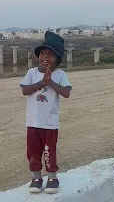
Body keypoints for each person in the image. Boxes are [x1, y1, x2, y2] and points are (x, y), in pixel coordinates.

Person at [19, 31, 72, 194]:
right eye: (43, 53)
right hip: (33, 122)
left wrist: (51, 82)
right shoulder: (31, 73)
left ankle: (52, 178)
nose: (46, 57)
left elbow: (66, 92)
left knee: (50, 151)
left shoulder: (61, 75)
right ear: (38, 56)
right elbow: (25, 91)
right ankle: (36, 177)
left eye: (51, 54)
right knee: (33, 152)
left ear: (58, 59)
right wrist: (42, 82)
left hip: (50, 124)